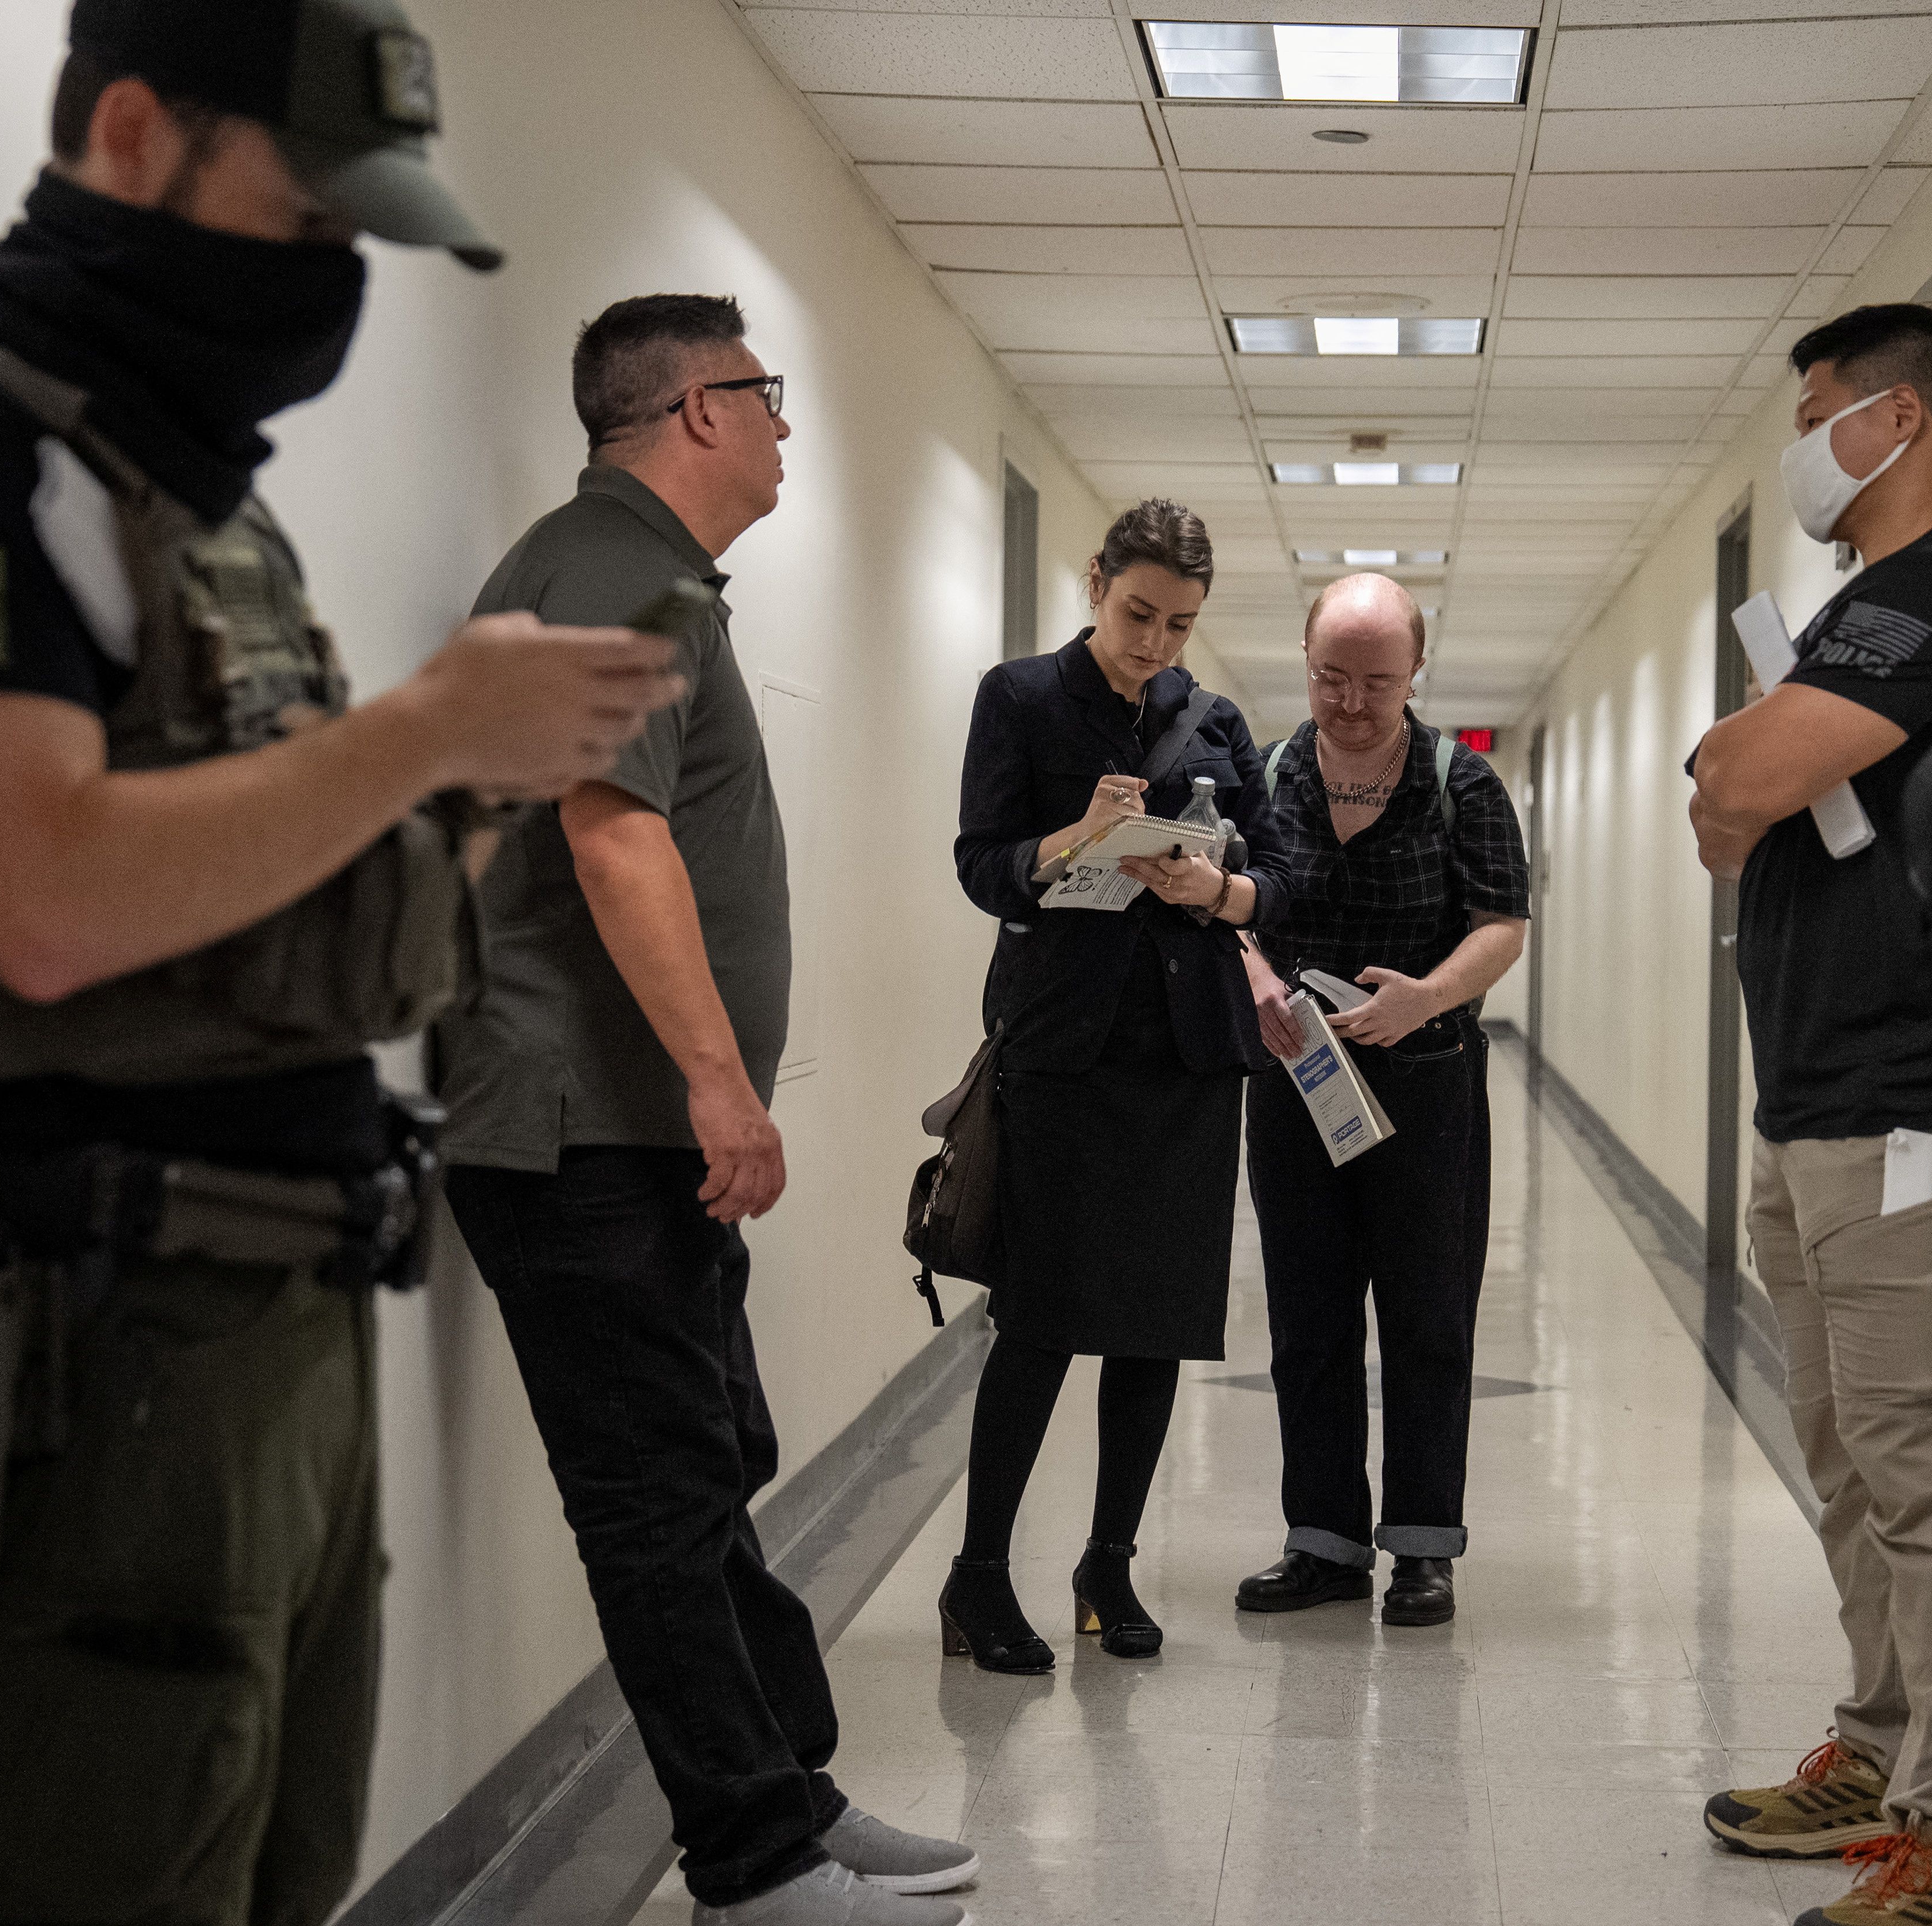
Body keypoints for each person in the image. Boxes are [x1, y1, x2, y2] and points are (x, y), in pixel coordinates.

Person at [0, 5, 696, 1921]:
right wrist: (430, 725)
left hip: (277, 1306)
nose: (326, 279)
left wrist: (471, 791)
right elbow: (38, 898)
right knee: (111, 1870)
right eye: (305, 213)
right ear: (132, 131)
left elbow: (276, 881)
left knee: (279, 1872)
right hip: (100, 1325)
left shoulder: (192, 498)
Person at [432, 296, 978, 1926]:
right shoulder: (614, 572)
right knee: (659, 1503)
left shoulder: (649, 578)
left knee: (708, 1463)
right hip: (582, 1130)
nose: (788, 425)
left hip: (626, 1131)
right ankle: (754, 1862)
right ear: (692, 412)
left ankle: (789, 1797)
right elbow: (613, 838)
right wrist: (721, 1082)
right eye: (768, 394)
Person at [1686, 302, 1932, 1926]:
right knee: (1848, 1459)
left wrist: (1738, 759)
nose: (1805, 440)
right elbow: (1723, 805)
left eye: (1821, 406)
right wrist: (1736, 765)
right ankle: (1884, 1743)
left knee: (1922, 1471)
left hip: (1913, 1101)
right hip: (1814, 1100)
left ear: (1899, 419)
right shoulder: (1856, 610)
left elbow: (1743, 783)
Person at [943, 499, 1289, 1672]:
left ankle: (1108, 1561)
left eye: (1180, 625)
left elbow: (1280, 870)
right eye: (1138, 613)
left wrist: (1219, 893)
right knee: (1038, 1320)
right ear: (1096, 582)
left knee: (1155, 1325)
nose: (1154, 644)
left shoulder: (1217, 722)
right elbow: (980, 864)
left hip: (1188, 1057)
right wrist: (1068, 840)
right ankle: (978, 1576)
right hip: (1061, 1054)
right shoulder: (1021, 699)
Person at [1231, 575, 1528, 1629]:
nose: (1352, 703)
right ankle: (1321, 1541)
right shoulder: (1261, 776)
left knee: (1427, 1316)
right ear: (1304, 658)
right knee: (1306, 1318)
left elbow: (1503, 923)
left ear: (1416, 675)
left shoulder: (1464, 784)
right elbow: (1226, 904)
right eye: (1331, 678)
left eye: (1378, 682)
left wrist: (1429, 996)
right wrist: (1256, 973)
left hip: (1428, 1083)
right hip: (1297, 1086)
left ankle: (1420, 1548)